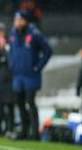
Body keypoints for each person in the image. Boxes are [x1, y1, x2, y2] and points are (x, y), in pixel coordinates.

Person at [8, 10, 52, 140]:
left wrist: (38, 66)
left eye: (19, 20)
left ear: (26, 20)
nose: (17, 22)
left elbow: (48, 51)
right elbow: (11, 51)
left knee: (30, 102)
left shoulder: (35, 34)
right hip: (17, 75)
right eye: (16, 20)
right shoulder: (13, 33)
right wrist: (12, 65)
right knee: (20, 103)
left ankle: (34, 132)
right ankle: (24, 131)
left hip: (30, 75)